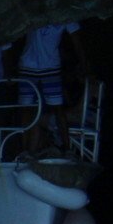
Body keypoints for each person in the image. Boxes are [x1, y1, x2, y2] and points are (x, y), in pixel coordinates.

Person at [16, 23, 82, 153]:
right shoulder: (35, 10)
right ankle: (24, 149)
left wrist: (84, 64)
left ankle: (66, 147)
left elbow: (77, 40)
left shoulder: (65, 15)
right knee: (26, 109)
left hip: (51, 68)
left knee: (58, 108)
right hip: (28, 65)